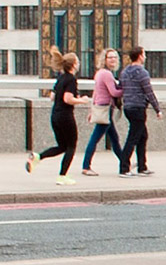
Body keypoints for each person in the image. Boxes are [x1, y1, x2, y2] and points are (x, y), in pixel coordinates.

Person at [27, 48, 86, 186]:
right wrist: (82, 100)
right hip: (66, 116)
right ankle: (62, 176)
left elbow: (52, 96)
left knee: (62, 146)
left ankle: (38, 157)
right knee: (71, 146)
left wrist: (72, 97)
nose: (79, 64)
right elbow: (67, 99)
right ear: (73, 65)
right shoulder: (71, 79)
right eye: (77, 61)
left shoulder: (60, 78)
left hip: (55, 115)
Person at [115, 46, 162, 177]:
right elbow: (149, 92)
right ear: (140, 56)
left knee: (142, 136)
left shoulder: (124, 72)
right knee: (133, 138)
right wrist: (157, 109)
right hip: (138, 107)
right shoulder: (142, 73)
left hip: (128, 107)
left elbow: (120, 87)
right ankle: (124, 167)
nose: (145, 57)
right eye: (144, 54)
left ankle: (142, 166)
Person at [79, 48, 124, 176]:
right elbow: (114, 92)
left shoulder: (99, 73)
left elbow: (96, 92)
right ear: (104, 59)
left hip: (101, 107)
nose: (113, 60)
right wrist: (127, 88)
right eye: (110, 57)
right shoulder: (106, 74)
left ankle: (124, 162)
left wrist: (92, 110)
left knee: (114, 139)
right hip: (105, 108)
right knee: (95, 138)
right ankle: (86, 166)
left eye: (115, 57)